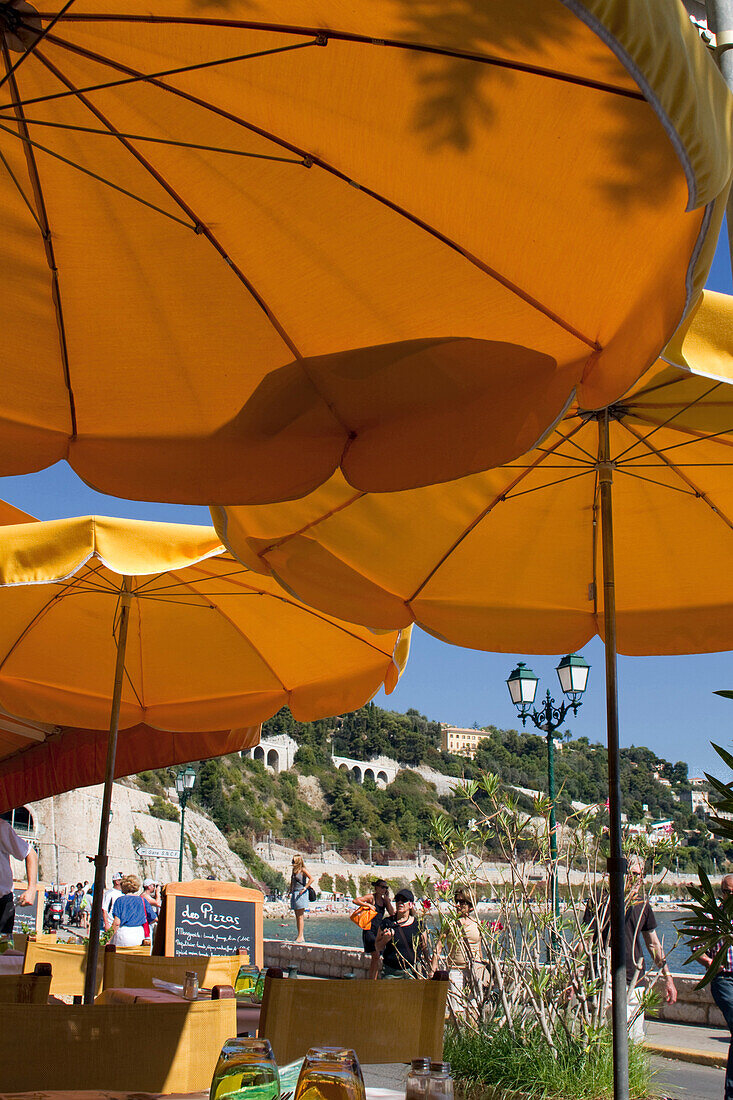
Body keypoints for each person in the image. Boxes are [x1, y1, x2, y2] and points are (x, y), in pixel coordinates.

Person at [583, 855, 677, 1041]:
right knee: (603, 1038)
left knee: (634, 1038)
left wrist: (668, 977)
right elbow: (586, 941)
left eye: (639, 875)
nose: (636, 879)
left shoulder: (642, 905)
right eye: (632, 874)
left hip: (634, 981)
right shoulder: (599, 902)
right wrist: (578, 975)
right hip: (604, 980)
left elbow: (653, 943)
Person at [699, 874, 733, 1100]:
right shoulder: (713, 916)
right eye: (727, 891)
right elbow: (697, 949)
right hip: (725, 981)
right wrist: (714, 965)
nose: (730, 896)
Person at [430, 890, 484, 1010]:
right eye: (457, 901)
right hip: (456, 971)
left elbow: (479, 947)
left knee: (473, 1009)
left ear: (470, 905)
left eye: (462, 902)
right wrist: (433, 968)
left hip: (474, 971)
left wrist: (482, 969)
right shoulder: (450, 923)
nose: (457, 905)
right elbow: (439, 946)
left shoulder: (477, 924)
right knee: (456, 1009)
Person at [370, 888, 429, 979]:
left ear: (411, 905)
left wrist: (430, 968)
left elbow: (424, 948)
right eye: (398, 900)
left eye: (404, 900)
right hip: (391, 972)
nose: (400, 902)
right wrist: (385, 940)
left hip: (412, 972)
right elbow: (377, 947)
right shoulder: (387, 923)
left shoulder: (418, 925)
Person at [0, 817, 37, 935]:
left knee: (3, 950)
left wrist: (31, 889)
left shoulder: (1, 827)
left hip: (1, 905)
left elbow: (30, 853)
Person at [110, 874, 156, 947]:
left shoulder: (120, 900)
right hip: (139, 934)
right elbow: (154, 918)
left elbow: (117, 922)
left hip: (123, 934)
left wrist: (108, 939)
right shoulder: (142, 900)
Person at [355, 878, 394, 955]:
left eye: (386, 888)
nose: (384, 889)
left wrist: (387, 900)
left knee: (378, 955)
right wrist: (369, 905)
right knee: (375, 954)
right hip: (369, 930)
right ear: (376, 887)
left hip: (379, 930)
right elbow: (356, 900)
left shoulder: (384, 901)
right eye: (382, 887)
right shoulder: (371, 897)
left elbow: (392, 913)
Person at [289, 856, 313, 944]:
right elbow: (292, 882)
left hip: (301, 893)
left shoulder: (303, 870)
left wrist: (304, 888)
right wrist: (290, 890)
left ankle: (300, 936)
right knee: (297, 915)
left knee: (300, 916)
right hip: (295, 892)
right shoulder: (294, 871)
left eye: (294, 861)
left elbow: (311, 878)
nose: (292, 863)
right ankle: (300, 936)